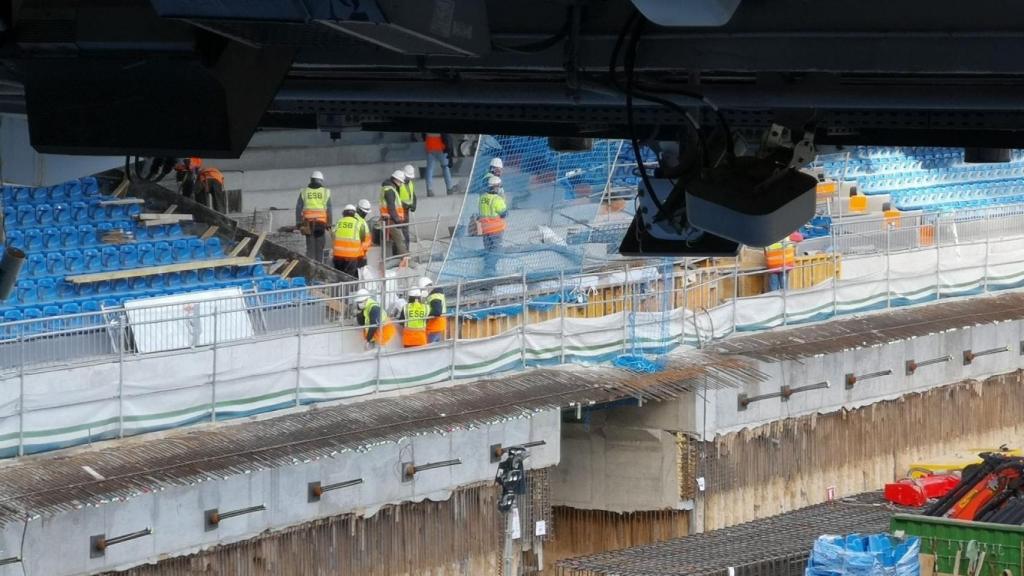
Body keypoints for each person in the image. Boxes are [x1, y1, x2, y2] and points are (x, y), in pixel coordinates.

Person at [295, 170, 333, 263]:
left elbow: (298, 207)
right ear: (320, 180)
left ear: (311, 180)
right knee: (319, 250)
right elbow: (329, 209)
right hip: (321, 224)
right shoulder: (325, 192)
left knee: (310, 250)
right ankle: (319, 269)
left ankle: (310, 270)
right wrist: (329, 223)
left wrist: (298, 222)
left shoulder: (304, 192)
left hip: (308, 224)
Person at [379, 169, 409, 262]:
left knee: (390, 241)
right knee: (400, 240)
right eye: (400, 181)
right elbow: (391, 207)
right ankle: (406, 260)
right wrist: (397, 220)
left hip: (387, 218)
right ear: (396, 180)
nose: (401, 183)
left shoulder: (388, 188)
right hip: (391, 219)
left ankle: (392, 260)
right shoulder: (390, 190)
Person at [332, 204, 366, 279]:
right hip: (352, 256)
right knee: (349, 278)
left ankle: (339, 290)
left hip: (338, 255)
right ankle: (348, 291)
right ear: (354, 214)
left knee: (339, 277)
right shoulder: (359, 223)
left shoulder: (339, 222)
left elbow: (333, 234)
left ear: (344, 213)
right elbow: (363, 238)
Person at [423, 133, 455, 197]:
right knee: (445, 167)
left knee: (430, 169)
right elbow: (447, 137)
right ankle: (449, 188)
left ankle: (429, 190)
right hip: (441, 148)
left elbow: (423, 136)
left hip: (430, 147)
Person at [419, 277, 447, 343]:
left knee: (428, 347)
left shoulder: (434, 297)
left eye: (422, 289)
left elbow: (437, 312)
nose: (422, 291)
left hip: (435, 326)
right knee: (435, 347)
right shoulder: (435, 294)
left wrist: (425, 312)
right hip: (438, 325)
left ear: (427, 287)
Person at [399, 164, 417, 246]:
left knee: (406, 230)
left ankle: (407, 249)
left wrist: (414, 204)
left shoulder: (410, 183)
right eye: (407, 177)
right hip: (399, 211)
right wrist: (404, 205)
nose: (409, 178)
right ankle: (401, 249)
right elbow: (395, 198)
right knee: (400, 231)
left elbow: (413, 195)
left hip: (406, 210)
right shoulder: (398, 184)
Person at [355, 198, 373, 267]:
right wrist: (364, 253)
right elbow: (365, 240)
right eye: (364, 213)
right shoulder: (362, 222)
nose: (365, 214)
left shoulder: (349, 218)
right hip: (359, 254)